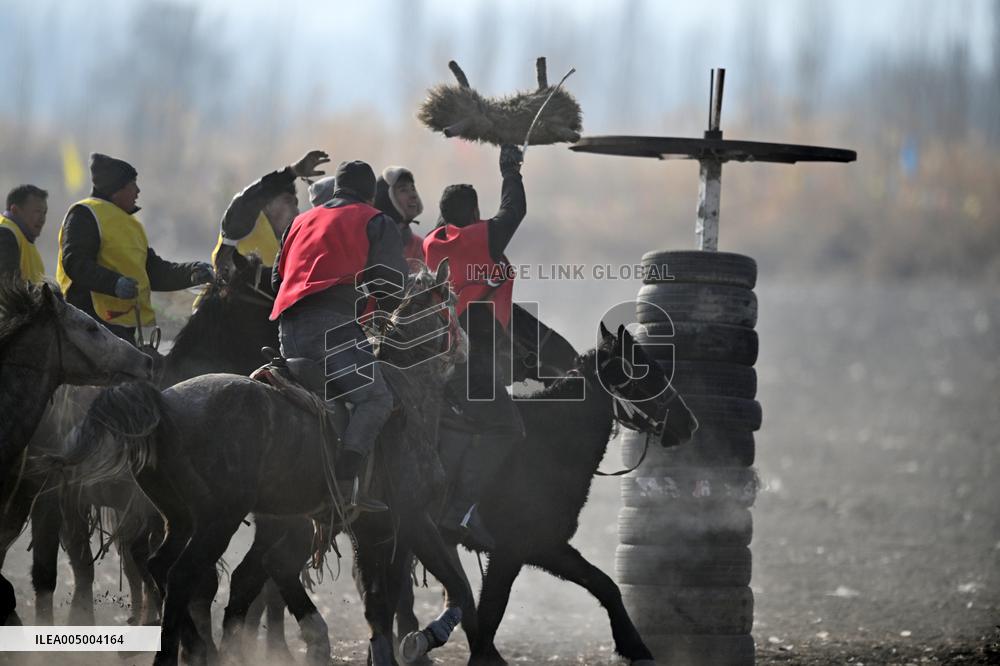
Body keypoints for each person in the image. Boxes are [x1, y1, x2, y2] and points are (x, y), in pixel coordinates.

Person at [270, 160, 409, 512]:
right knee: (377, 399)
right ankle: (345, 483)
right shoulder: (375, 220)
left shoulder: (299, 222)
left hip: (288, 330)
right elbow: (392, 288)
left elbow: (276, 282)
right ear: (370, 194)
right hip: (334, 331)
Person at [422, 144, 527, 550]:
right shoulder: (478, 238)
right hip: (470, 354)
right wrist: (510, 170)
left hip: (437, 350)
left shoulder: (433, 242)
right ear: (473, 215)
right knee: (507, 427)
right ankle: (459, 511)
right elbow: (512, 213)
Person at [55, 153, 214, 343]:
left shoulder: (131, 224)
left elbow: (154, 271)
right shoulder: (84, 214)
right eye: (132, 184)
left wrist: (192, 272)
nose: (138, 191)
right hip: (89, 329)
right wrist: (114, 284)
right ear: (116, 189)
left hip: (124, 330)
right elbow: (75, 262)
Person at [212, 150, 330, 283]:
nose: (296, 211)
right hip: (225, 301)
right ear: (266, 204)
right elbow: (248, 199)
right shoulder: (242, 224)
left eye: (296, 204)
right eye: (287, 201)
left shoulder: (290, 245)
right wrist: (291, 172)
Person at [374, 167, 425, 262]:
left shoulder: (420, 246)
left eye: (413, 188)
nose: (413, 195)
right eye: (403, 190)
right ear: (386, 198)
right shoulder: (369, 243)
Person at [0, 185, 48, 283]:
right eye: (37, 211)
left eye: (44, 213)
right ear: (15, 210)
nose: (42, 219)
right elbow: (7, 287)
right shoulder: (5, 233)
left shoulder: (25, 240)